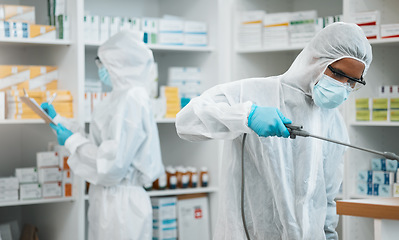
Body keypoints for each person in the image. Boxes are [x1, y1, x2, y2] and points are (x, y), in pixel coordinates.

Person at [176, 22, 372, 240]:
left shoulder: (334, 123)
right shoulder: (253, 92)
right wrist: (245, 116)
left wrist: (329, 234)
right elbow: (187, 121)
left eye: (352, 81)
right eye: (337, 75)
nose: (343, 86)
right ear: (316, 59)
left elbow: (325, 197)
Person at [42, 30, 164, 240]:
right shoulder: (115, 99)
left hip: (123, 204)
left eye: (103, 63)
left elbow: (113, 164)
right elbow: (99, 146)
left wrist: (72, 141)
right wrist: (60, 122)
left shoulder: (133, 98)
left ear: (120, 64)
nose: (100, 68)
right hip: (106, 198)